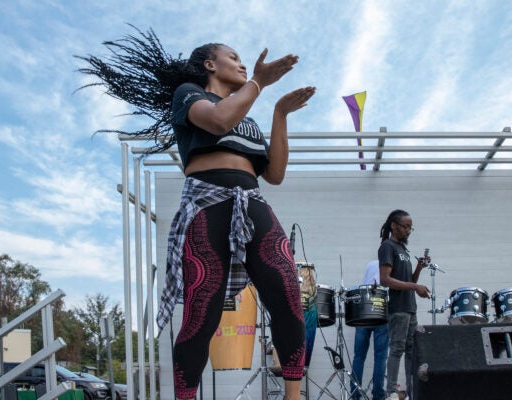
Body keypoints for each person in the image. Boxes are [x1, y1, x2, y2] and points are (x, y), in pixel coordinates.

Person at [78, 26, 316, 400]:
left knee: (287, 293)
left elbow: (274, 174)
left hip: (253, 203)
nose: (241, 63)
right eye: (233, 57)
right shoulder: (188, 96)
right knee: (201, 314)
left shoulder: (248, 118)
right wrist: (258, 82)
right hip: (208, 206)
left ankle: (293, 395)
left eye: (242, 60)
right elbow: (219, 122)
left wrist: (280, 113)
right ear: (209, 64)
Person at [378, 210, 431, 400]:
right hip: (398, 308)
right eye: (405, 226)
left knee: (411, 350)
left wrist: (419, 268)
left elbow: (409, 280)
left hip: (410, 307)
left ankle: (411, 389)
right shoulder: (388, 246)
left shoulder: (403, 250)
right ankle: (391, 391)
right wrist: (415, 286)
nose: (409, 230)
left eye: (411, 227)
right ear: (394, 226)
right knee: (397, 348)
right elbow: (385, 280)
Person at [350, 260, 388, 400]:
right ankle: (377, 395)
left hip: (363, 312)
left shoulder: (371, 264)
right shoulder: (391, 266)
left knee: (358, 356)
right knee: (381, 357)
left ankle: (355, 393)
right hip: (381, 311)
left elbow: (364, 285)